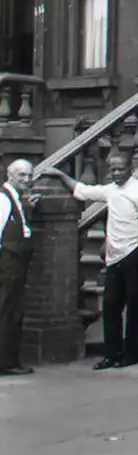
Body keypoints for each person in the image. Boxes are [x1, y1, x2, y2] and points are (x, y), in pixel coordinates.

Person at [44, 155, 138, 370]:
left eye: (120, 169)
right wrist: (60, 175)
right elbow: (84, 190)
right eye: (112, 170)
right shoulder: (111, 190)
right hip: (114, 257)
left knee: (134, 305)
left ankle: (133, 354)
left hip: (134, 255)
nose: (116, 173)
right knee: (110, 305)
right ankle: (112, 354)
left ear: (130, 168)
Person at [0, 159, 36, 375]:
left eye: (29, 175)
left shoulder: (14, 197)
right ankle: (6, 362)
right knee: (8, 311)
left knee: (11, 310)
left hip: (14, 261)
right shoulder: (3, 199)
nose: (26, 180)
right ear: (10, 175)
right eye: (21, 175)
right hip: (8, 261)